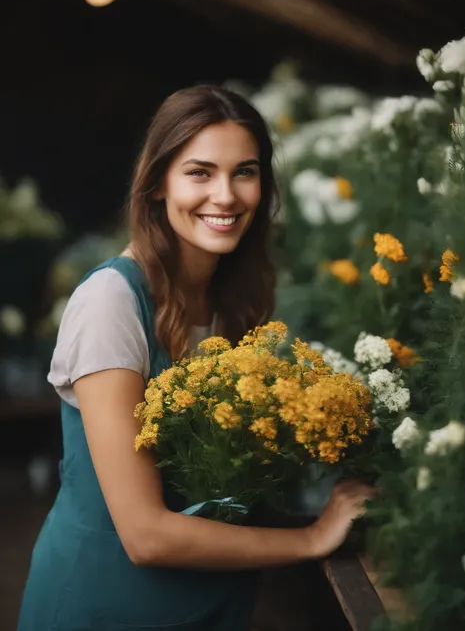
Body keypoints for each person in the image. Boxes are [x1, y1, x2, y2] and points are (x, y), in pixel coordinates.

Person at [18, 85, 376, 631]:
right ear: (158, 182)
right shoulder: (111, 303)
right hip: (104, 608)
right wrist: (309, 537)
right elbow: (145, 535)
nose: (226, 196)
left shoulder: (234, 298)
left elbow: (214, 490)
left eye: (245, 172)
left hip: (211, 606)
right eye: (200, 172)